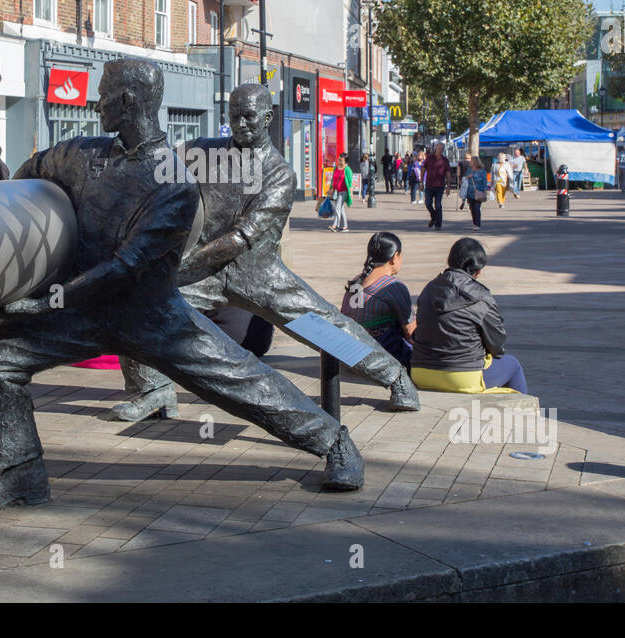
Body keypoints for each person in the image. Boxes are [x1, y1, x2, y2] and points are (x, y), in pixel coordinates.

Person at [0, 61, 365, 510]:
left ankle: (335, 442)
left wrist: (47, 302)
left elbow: (127, 266)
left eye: (105, 94)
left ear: (127, 102)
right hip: (85, 312)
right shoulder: (80, 154)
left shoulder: (174, 185)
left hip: (153, 316)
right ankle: (20, 476)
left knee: (241, 379)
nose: (97, 102)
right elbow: (29, 174)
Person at [116, 84, 419, 420]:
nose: (240, 123)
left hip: (259, 275)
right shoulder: (199, 152)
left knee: (326, 327)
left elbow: (240, 239)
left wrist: (179, 267)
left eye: (248, 116)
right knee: (137, 307)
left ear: (268, 117)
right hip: (204, 274)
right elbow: (155, 174)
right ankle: (154, 390)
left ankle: (395, 377)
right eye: (234, 117)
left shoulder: (279, 175)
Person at [410, 237, 529, 394]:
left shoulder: (429, 289)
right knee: (513, 365)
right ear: (478, 270)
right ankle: (523, 418)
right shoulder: (482, 297)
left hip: (420, 372)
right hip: (463, 376)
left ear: (450, 261)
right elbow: (497, 345)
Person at [341, 232, 415, 367]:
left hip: (354, 355)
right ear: (395, 257)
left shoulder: (356, 282)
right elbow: (411, 333)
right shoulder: (392, 286)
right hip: (383, 357)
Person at [423, 142, 450, 231]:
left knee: (438, 205)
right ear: (436, 148)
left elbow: (448, 173)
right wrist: (420, 182)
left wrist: (448, 186)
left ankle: (438, 224)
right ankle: (434, 216)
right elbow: (423, 168)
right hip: (429, 185)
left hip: (440, 185)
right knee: (428, 204)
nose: (440, 150)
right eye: (439, 148)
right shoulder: (429, 158)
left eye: (442, 149)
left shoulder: (445, 160)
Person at [329, 152, 353, 233]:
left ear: (345, 161)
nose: (339, 161)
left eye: (341, 160)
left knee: (337, 207)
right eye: (339, 160)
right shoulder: (336, 168)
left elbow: (350, 183)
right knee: (341, 208)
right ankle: (345, 226)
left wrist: (351, 194)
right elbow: (333, 179)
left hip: (344, 192)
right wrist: (331, 188)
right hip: (337, 191)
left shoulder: (347, 170)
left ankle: (335, 225)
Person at [464, 158, 487, 230]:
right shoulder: (469, 170)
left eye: (471, 161)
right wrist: (466, 177)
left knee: (477, 208)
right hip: (470, 192)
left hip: (478, 191)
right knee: (472, 208)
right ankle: (474, 223)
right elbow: (465, 179)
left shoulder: (482, 171)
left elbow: (484, 181)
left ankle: (477, 224)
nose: (470, 162)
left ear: (475, 162)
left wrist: (484, 189)